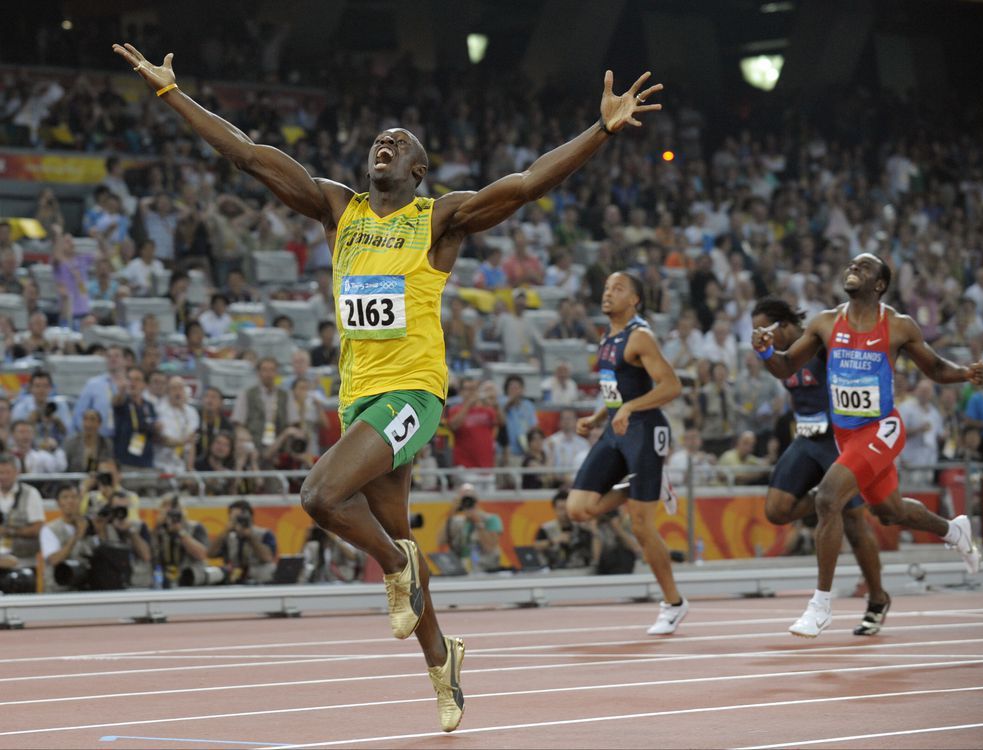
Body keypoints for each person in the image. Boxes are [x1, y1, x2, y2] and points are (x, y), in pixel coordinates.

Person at [116, 40, 660, 732]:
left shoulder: (437, 219)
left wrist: (602, 130)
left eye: (398, 144)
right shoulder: (336, 210)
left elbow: (525, 184)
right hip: (360, 398)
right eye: (379, 140)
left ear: (418, 169)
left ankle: (396, 563)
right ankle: (443, 662)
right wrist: (170, 93)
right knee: (393, 531)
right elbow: (247, 153)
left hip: (414, 396)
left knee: (320, 496)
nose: (385, 145)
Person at [752, 253, 983, 638]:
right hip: (846, 435)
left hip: (882, 429)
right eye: (850, 265)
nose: (852, 268)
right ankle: (953, 531)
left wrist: (965, 373)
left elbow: (934, 368)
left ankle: (820, 606)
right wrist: (764, 352)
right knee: (889, 511)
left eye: (863, 267)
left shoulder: (898, 326)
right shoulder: (826, 322)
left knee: (829, 498)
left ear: (879, 284)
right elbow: (786, 366)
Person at [751, 297, 891, 635]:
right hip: (807, 439)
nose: (760, 335)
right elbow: (784, 370)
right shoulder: (781, 354)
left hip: (840, 440)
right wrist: (767, 352)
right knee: (776, 510)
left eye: (764, 329)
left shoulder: (822, 339)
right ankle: (822, 494)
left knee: (856, 525)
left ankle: (877, 598)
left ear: (784, 326)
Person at [566, 272, 687, 635]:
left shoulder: (640, 337)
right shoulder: (608, 338)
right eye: (605, 288)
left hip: (646, 431)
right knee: (578, 509)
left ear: (634, 299)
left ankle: (674, 604)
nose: (608, 294)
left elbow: (671, 386)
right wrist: (599, 415)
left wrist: (630, 408)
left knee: (641, 526)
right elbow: (615, 391)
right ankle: (645, 487)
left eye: (617, 289)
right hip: (616, 430)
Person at [205, 499, 276, 584]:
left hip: (259, 578)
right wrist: (225, 531)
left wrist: (251, 537)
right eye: (235, 518)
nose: (239, 522)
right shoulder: (227, 536)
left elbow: (267, 558)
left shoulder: (264, 533)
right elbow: (210, 554)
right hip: (233, 578)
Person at [40, 485, 95, 592]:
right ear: (58, 502)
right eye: (65, 497)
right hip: (58, 590)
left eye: (74, 497)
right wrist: (76, 536)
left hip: (85, 588)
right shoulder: (49, 529)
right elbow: (54, 560)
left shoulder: (89, 526)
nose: (70, 501)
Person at [437, 483, 504, 572]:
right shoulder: (457, 521)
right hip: (462, 569)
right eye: (464, 499)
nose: (467, 502)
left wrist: (478, 522)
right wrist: (452, 511)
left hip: (486, 569)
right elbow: (440, 541)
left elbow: (490, 547)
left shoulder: (491, 519)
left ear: (476, 500)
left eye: (470, 499)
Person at [151, 495, 209, 588]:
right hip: (164, 581)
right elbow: (150, 555)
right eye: (166, 507)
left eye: (175, 508)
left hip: (191, 579)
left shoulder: (195, 527)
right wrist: (157, 528)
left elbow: (202, 555)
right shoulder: (159, 531)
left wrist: (181, 532)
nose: (171, 512)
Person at [0, 453, 44, 567]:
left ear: (17, 472)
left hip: (24, 560)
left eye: (7, 472)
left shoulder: (30, 493)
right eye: (0, 472)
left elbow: (37, 528)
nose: (3, 477)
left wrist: (9, 531)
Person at [535, 489, 596, 569]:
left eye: (566, 508)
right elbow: (536, 546)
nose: (564, 513)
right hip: (554, 570)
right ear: (554, 509)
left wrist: (592, 531)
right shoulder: (546, 528)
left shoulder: (581, 527)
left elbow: (593, 548)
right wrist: (554, 541)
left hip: (579, 569)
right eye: (560, 509)